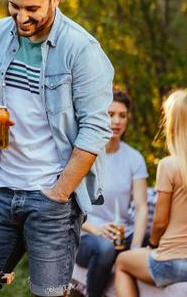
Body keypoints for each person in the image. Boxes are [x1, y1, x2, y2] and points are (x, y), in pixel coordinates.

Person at [0, 0, 114, 297]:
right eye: (14, 6)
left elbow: (95, 131)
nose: (21, 17)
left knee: (50, 294)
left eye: (32, 8)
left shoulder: (82, 50)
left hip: (51, 199)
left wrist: (59, 193)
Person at [113, 90, 187, 296]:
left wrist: (152, 245)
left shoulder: (169, 165)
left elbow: (160, 221)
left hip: (175, 264)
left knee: (122, 262)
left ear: (174, 124)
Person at [75, 88, 149, 297]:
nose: (116, 121)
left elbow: (142, 207)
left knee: (159, 239)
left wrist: (135, 247)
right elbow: (69, 207)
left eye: (122, 115)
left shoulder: (134, 158)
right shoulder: (84, 154)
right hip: (87, 235)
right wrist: (97, 229)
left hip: (123, 234)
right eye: (110, 114)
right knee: (105, 249)